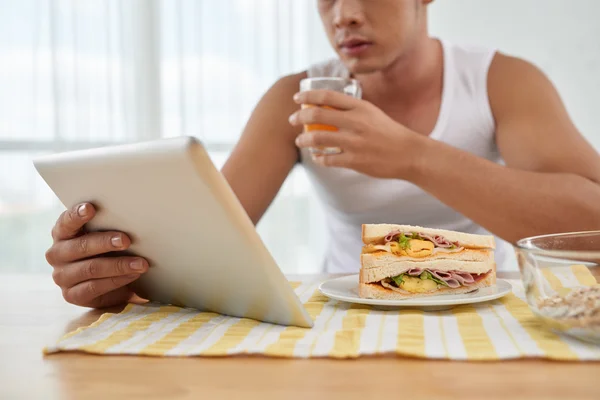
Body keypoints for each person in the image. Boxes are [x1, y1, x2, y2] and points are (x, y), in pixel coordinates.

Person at [45, 0, 600, 308]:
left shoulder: (500, 80)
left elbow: (592, 222)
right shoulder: (298, 95)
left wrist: (414, 156)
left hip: (481, 308)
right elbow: (202, 243)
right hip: (347, 313)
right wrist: (117, 274)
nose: (346, 14)